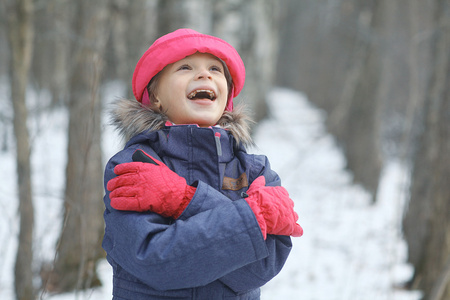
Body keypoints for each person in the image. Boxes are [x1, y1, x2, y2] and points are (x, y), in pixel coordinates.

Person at [103, 28, 303, 300]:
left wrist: (183, 199)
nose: (204, 74)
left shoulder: (255, 172)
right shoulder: (135, 165)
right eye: (185, 67)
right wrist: (254, 216)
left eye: (215, 69)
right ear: (156, 96)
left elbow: (260, 267)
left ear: (227, 98)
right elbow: (156, 260)